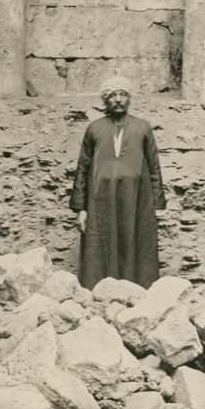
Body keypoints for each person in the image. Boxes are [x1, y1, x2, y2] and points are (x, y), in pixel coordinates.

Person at [70, 77, 166, 290]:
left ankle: (136, 292)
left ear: (129, 98)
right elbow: (82, 169)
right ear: (106, 100)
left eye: (122, 94)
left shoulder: (143, 128)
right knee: (101, 243)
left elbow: (154, 167)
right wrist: (81, 208)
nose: (118, 99)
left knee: (135, 241)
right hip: (100, 199)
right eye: (112, 95)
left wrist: (157, 206)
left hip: (137, 198)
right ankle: (99, 293)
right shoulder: (94, 129)